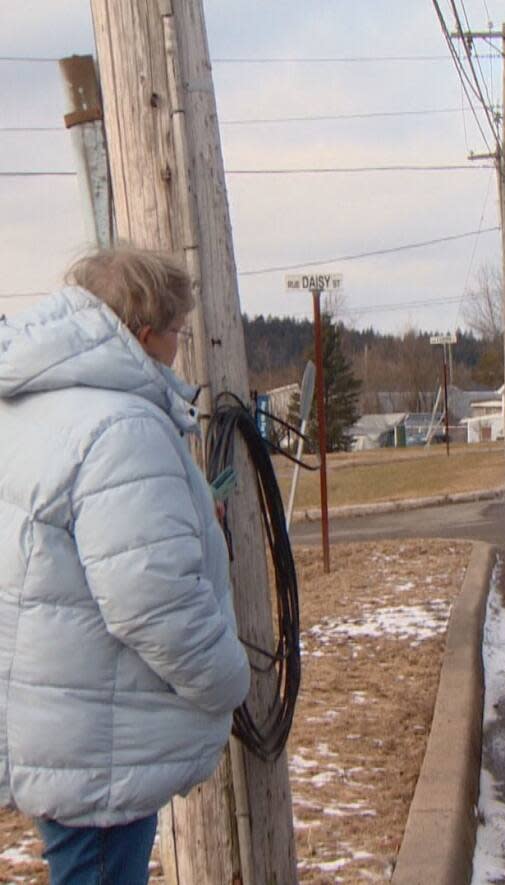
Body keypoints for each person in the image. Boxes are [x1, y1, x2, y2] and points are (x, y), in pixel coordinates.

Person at [0, 246, 251, 884]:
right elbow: (155, 603)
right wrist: (230, 679)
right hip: (100, 736)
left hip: (50, 717)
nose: (179, 345)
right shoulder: (122, 430)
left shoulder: (29, 404)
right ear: (145, 334)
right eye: (176, 330)